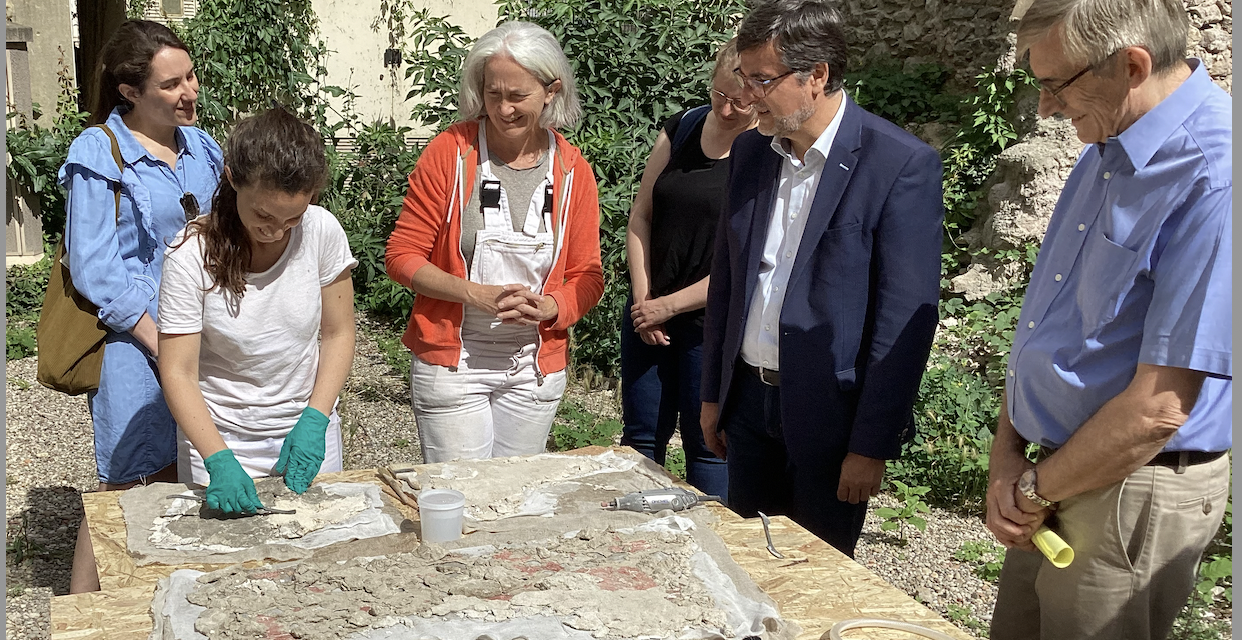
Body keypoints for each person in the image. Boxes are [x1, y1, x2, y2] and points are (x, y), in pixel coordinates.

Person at [984, 1, 1232, 638]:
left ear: (1131, 64)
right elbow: (1046, 324)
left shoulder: (1215, 174)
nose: (1044, 109)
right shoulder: (1109, 136)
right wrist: (1008, 457)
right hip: (1052, 475)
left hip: (1132, 489)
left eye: (1053, 84)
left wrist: (1035, 489)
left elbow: (1159, 409)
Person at [699, 0, 944, 558]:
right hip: (747, 407)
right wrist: (714, 393)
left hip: (829, 423)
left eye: (761, 80)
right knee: (747, 571)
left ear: (817, 76)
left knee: (817, 579)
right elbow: (729, 283)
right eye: (743, 76)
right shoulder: (752, 156)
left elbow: (903, 320)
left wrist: (871, 445)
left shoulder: (899, 165)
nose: (746, 96)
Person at [385, 21, 604, 464]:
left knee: (515, 495)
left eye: (517, 96)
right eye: (492, 94)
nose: (503, 109)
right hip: (453, 364)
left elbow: (588, 275)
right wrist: (474, 294)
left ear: (551, 91)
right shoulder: (450, 153)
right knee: (461, 495)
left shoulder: (572, 169)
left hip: (533, 368)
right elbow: (401, 257)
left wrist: (553, 307)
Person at [61, 19, 222, 593]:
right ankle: (84, 608)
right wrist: (162, 341)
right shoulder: (98, 153)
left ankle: (163, 594)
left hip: (196, 331)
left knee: (187, 466)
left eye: (191, 76)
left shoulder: (203, 147)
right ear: (130, 92)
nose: (190, 92)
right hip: (136, 340)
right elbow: (95, 268)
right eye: (172, 84)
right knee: (128, 476)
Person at [158, 107, 357, 514]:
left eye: (292, 218)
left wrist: (316, 418)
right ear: (232, 178)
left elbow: (338, 333)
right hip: (219, 436)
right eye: (264, 215)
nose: (277, 230)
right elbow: (178, 370)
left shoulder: (321, 231)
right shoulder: (190, 255)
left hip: (305, 425)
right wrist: (217, 458)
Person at [622, 39, 757, 502]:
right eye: (721, 95)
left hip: (708, 323)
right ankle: (636, 543)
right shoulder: (682, 126)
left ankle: (709, 548)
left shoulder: (766, 150)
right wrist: (643, 300)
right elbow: (641, 215)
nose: (728, 109)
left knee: (707, 448)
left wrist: (668, 306)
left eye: (741, 101)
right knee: (640, 440)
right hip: (646, 313)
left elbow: (750, 260)